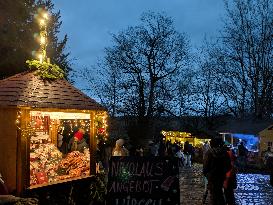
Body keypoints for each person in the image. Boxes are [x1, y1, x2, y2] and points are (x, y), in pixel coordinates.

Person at [203, 137, 231, 205]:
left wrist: (207, 174)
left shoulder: (209, 153)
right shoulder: (225, 153)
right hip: (221, 175)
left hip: (212, 176)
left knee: (214, 194)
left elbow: (206, 166)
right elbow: (228, 166)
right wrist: (223, 171)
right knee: (219, 192)